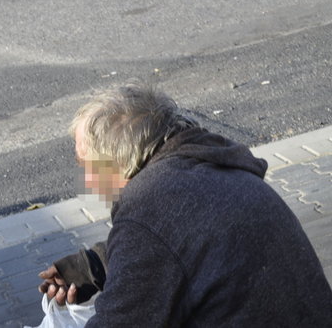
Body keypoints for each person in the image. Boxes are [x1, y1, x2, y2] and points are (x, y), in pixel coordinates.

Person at [38, 81, 332, 326]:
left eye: (85, 163)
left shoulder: (150, 206)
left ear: (115, 159)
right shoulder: (210, 165)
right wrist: (95, 265)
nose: (85, 179)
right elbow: (187, 246)